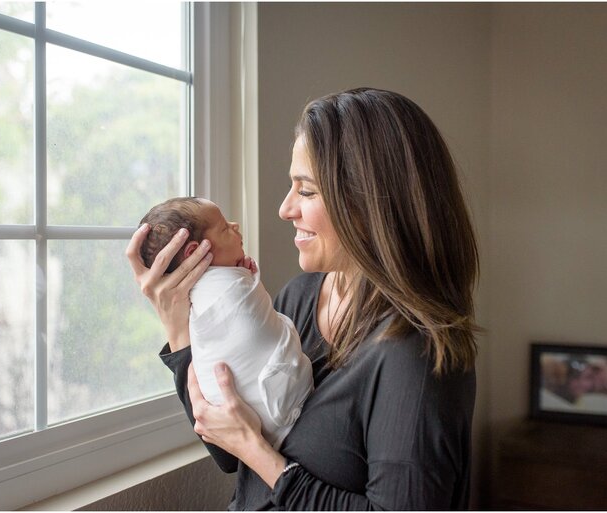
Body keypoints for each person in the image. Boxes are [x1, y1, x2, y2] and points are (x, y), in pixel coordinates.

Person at [126, 87, 480, 510]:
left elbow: (248, 448)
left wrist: (262, 458)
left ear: (369, 202)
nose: (284, 208)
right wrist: (180, 329)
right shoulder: (298, 298)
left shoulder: (416, 352)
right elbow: (226, 447)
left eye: (306, 191)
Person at [137, 197, 313, 451]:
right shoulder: (294, 294)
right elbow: (226, 455)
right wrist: (176, 331)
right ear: (195, 252)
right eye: (223, 228)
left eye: (307, 192)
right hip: (276, 418)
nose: (235, 225)